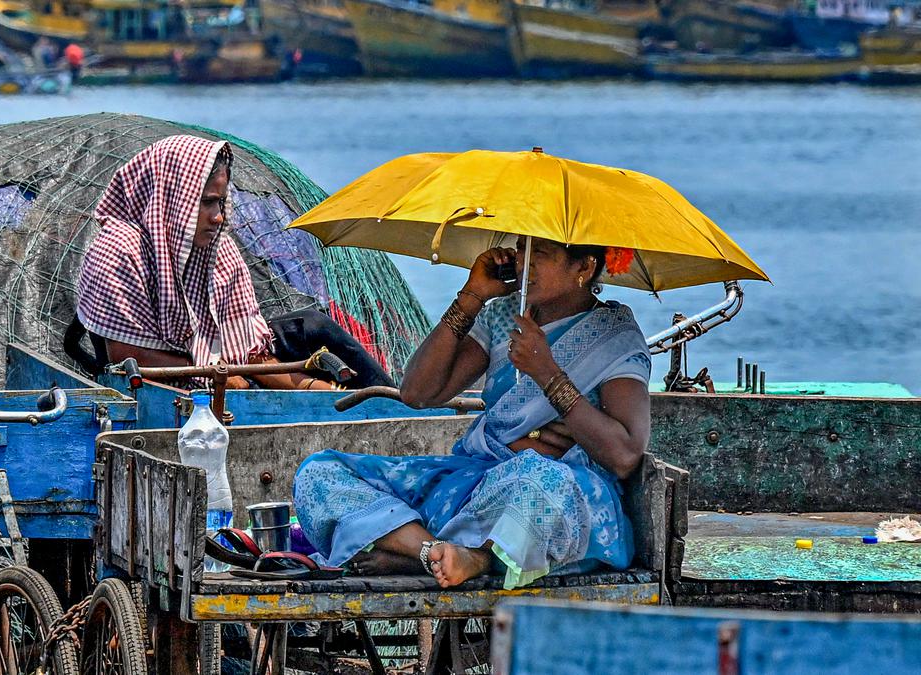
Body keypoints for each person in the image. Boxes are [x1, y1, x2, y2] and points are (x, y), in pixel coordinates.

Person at [293, 238, 652, 588]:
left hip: (556, 497)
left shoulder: (614, 334)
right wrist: (473, 297)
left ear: (584, 267)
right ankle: (433, 552)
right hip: (478, 480)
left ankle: (474, 557)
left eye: (540, 253)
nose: (524, 264)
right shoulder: (504, 316)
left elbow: (623, 456)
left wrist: (547, 373)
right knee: (320, 473)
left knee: (537, 478)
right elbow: (418, 393)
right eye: (522, 249)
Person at [71, 134, 393, 391]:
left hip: (222, 368)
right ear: (172, 199)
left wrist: (315, 390)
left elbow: (253, 356)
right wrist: (216, 374)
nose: (218, 216)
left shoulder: (218, 249)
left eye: (221, 202)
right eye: (207, 203)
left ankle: (390, 405)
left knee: (313, 325)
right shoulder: (119, 249)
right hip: (162, 385)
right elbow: (126, 355)